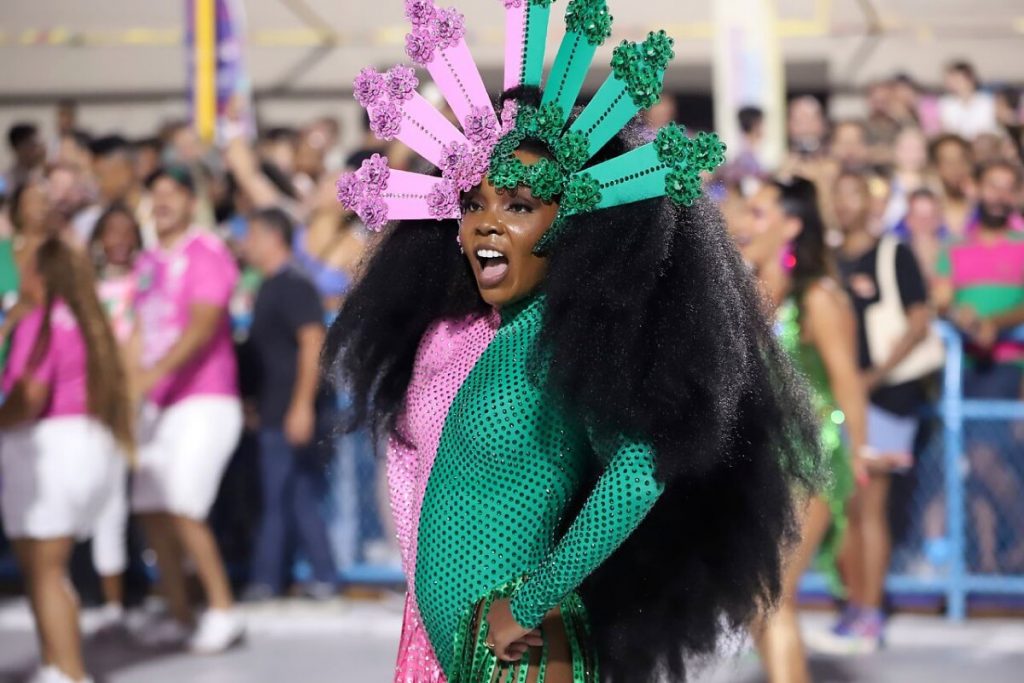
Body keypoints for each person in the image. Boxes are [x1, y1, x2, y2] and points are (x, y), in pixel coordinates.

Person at [329, 10, 825, 678]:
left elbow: (640, 469)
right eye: (473, 204)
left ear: (575, 226)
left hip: (521, 655)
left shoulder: (568, 344)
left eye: (519, 205)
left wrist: (529, 603)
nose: (487, 224)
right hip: (461, 653)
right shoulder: (482, 341)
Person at [732, 176, 868, 683]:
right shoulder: (748, 293)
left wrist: (861, 451)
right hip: (763, 461)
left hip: (812, 457)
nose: (744, 223)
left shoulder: (817, 298)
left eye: (759, 213)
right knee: (757, 597)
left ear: (790, 226)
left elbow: (847, 382)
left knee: (770, 594)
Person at [0, 237, 133, 683]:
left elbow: (30, 396)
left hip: (51, 447)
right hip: (89, 445)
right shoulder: (84, 318)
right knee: (47, 570)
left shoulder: (42, 320)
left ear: (41, 273)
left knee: (46, 572)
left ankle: (70, 671)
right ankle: (54, 665)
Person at [129, 165, 244, 651]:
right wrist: (129, 383)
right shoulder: (147, 260)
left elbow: (202, 325)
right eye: (155, 193)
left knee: (183, 504)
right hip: (157, 405)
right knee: (151, 509)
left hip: (205, 398)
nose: (163, 202)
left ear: (192, 202)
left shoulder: (206, 251)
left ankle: (222, 610)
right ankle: (179, 614)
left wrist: (151, 375)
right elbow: (140, 328)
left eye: (173, 193)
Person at [832, 171, 934, 649]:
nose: (844, 203)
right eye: (837, 194)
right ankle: (855, 604)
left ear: (870, 202)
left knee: (870, 505)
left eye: (853, 194)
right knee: (846, 507)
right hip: (842, 400)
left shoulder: (894, 253)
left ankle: (870, 611)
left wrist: (874, 375)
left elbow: (919, 319)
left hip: (888, 397)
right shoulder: (830, 259)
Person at [240, 207, 337, 601]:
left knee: (277, 497)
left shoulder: (294, 285)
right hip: (272, 409)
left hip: (288, 410)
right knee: (296, 496)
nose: (245, 244)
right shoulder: (268, 286)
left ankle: (266, 580)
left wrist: (301, 406)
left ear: (272, 237)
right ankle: (324, 576)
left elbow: (314, 343)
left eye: (251, 235)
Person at [934, 160, 1024, 573]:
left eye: (1008, 188)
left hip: (1007, 367)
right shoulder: (953, 246)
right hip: (963, 368)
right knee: (971, 462)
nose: (999, 196)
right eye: (993, 186)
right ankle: (987, 558)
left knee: (986, 459)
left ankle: (1018, 533)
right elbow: (942, 301)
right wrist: (964, 317)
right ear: (976, 188)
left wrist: (994, 324)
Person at [85, 204, 144, 630]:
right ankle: (109, 598)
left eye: (127, 231)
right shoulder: (86, 287)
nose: (119, 241)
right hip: (98, 405)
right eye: (111, 231)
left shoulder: (151, 280)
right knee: (104, 498)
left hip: (143, 400)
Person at [894, 188, 950, 283]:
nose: (924, 223)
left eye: (930, 216)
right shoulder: (896, 256)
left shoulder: (955, 250)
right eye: (917, 216)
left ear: (939, 218)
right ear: (907, 219)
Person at [930, 133, 976, 237]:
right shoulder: (924, 214)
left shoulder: (984, 211)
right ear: (936, 167)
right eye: (948, 162)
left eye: (961, 161)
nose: (956, 168)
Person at [939, 61, 998, 140]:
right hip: (958, 142)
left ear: (970, 78)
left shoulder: (987, 100)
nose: (951, 83)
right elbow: (947, 129)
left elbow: (991, 127)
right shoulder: (946, 102)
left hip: (985, 140)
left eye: (956, 79)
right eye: (949, 80)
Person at [6, 123, 47, 190]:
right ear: (17, 148)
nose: (40, 150)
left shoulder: (44, 177)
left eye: (41, 145)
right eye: (34, 146)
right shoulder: (6, 181)